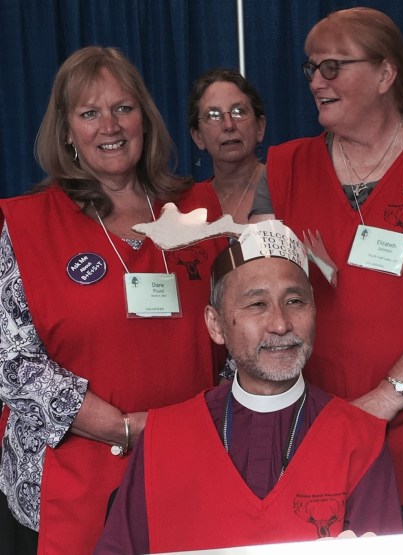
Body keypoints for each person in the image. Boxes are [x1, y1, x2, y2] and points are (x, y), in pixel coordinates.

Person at [250, 7, 403, 531]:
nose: (317, 81)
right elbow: (259, 290)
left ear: (386, 74)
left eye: (333, 67)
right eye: (311, 68)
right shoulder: (285, 166)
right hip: (314, 426)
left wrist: (384, 400)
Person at [0, 46, 225, 555]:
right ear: (66, 133)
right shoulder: (28, 225)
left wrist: (210, 427)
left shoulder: (199, 209)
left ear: (144, 118)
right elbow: (11, 361)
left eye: (123, 108)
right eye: (89, 113)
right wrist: (126, 427)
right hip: (69, 484)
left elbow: (235, 333)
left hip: (192, 462)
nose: (110, 125)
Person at [94, 220, 403, 554]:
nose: (281, 324)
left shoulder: (360, 439)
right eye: (257, 304)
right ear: (216, 324)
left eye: (295, 301)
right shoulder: (161, 438)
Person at [189, 68, 267, 223]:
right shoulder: (190, 206)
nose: (229, 125)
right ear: (198, 137)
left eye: (239, 111)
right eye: (213, 115)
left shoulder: (285, 187)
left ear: (259, 127)